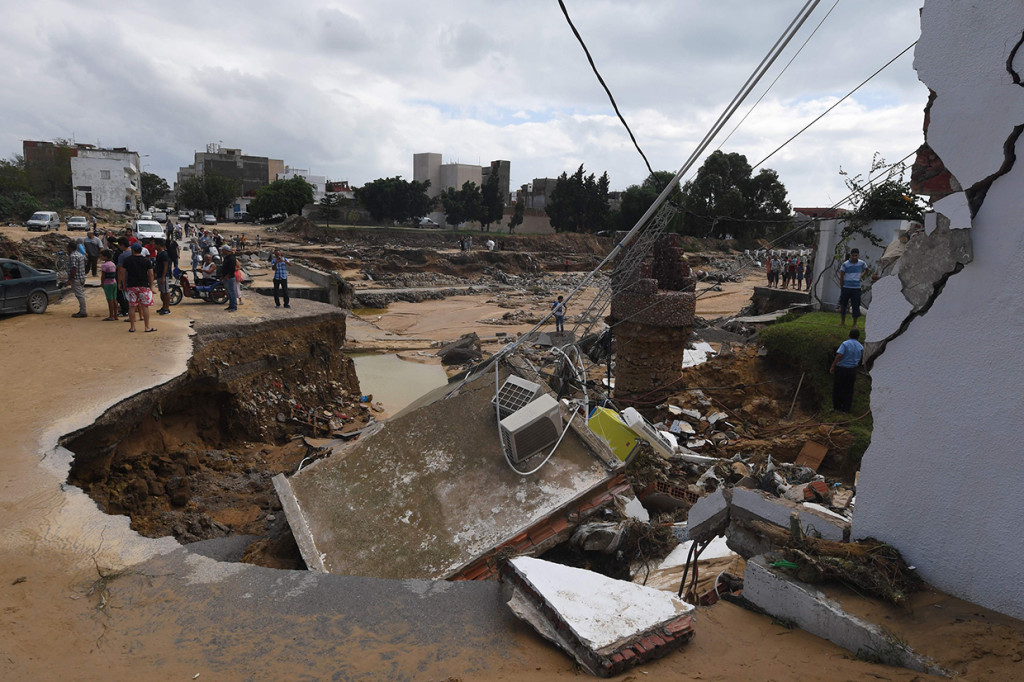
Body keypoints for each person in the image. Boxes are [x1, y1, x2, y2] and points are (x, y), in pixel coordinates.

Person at [120, 242, 156, 332]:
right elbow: (151, 274)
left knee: (132, 306)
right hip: (144, 285)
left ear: (132, 250)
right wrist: (151, 286)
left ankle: (132, 327)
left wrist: (123, 284)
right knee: (145, 306)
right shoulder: (146, 261)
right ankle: (147, 327)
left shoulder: (127, 260)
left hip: (131, 285)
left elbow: (123, 273)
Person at [830, 328, 864, 413]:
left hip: (842, 369)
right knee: (849, 389)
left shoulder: (845, 344)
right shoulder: (860, 346)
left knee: (838, 388)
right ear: (858, 337)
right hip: (852, 370)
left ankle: (837, 408)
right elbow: (861, 358)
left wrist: (832, 366)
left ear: (849, 335)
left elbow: (839, 355)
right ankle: (846, 409)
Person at [838, 248, 869, 327]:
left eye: (856, 255)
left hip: (856, 288)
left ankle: (854, 323)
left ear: (858, 255)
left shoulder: (861, 263)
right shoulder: (845, 264)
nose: (854, 257)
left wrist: (861, 275)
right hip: (846, 287)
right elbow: (841, 276)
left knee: (855, 305)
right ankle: (842, 321)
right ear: (850, 255)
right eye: (853, 255)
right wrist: (842, 286)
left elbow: (866, 269)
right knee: (843, 305)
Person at [67, 241, 87, 317]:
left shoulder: (73, 256)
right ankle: (82, 310)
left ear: (70, 248)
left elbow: (74, 268)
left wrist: (70, 279)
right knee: (81, 294)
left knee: (80, 295)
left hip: (76, 278)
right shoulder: (80, 255)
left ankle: (83, 312)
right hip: (82, 277)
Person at [99, 249, 119, 321]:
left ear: (105, 257)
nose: (101, 257)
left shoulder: (104, 265)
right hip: (114, 282)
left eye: (102, 256)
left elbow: (103, 276)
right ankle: (115, 315)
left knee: (109, 300)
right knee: (114, 299)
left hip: (107, 283)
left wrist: (102, 283)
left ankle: (111, 316)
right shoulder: (112, 264)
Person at [154, 239, 172, 315]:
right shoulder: (159, 253)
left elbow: (165, 266)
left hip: (163, 275)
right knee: (162, 291)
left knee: (165, 292)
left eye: (155, 244)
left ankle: (167, 308)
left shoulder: (164, 254)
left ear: (159, 245)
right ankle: (164, 306)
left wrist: (163, 276)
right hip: (160, 274)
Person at [221, 244, 238, 312]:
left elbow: (232, 268)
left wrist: (228, 275)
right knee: (228, 292)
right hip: (226, 277)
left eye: (222, 250)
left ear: (225, 250)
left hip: (229, 278)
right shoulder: (226, 257)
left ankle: (234, 306)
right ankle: (231, 305)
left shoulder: (231, 258)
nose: (222, 251)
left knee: (232, 292)